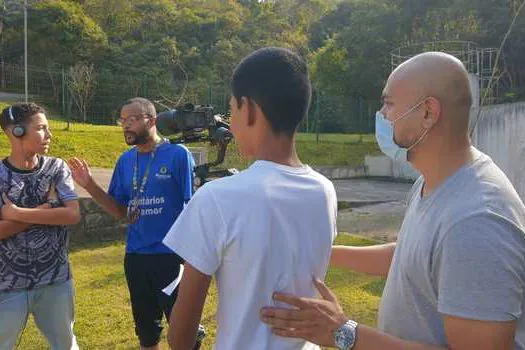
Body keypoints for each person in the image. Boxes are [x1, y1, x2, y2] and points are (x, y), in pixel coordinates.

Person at [260, 51, 525, 350]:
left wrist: (345, 333)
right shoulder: (435, 181)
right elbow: (408, 257)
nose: (381, 116)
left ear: (427, 112)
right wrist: (321, 252)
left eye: (388, 104)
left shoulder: (476, 221)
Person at [163, 47, 338, 350]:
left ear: (250, 109)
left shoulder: (216, 199)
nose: (229, 124)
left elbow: (181, 336)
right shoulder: (325, 190)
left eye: (232, 111)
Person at [68, 97, 204, 350]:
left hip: (172, 255)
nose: (125, 126)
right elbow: (119, 211)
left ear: (151, 120)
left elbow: (192, 205)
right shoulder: (125, 161)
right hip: (136, 256)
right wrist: (88, 185)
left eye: (132, 120)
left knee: (185, 332)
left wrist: (191, 253)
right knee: (146, 332)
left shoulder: (177, 155)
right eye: (122, 120)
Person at [0, 102, 81, 349]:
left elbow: (72, 215)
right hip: (7, 285)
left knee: (65, 345)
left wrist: (15, 213)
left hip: (56, 280)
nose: (49, 135)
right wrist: (46, 209)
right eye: (41, 128)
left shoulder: (56, 168)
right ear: (16, 132)